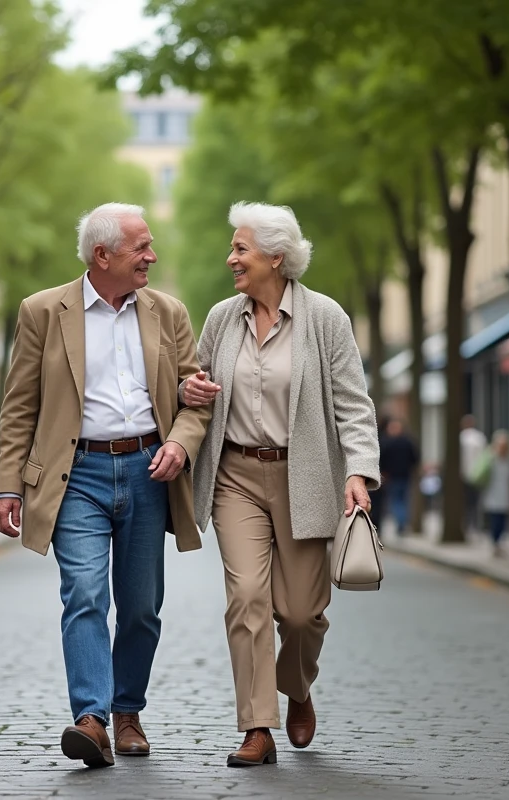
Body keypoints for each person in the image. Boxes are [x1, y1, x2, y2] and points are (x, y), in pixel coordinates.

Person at [0, 203, 211, 769]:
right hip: (73, 475)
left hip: (146, 468)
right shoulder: (42, 311)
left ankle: (127, 710)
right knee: (84, 594)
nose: (152, 258)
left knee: (141, 606)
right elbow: (20, 407)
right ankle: (91, 718)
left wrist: (181, 442)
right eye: (142, 248)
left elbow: (196, 395)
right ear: (102, 255)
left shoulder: (169, 312)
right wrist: (7, 485)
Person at [180, 202, 380, 767]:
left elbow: (353, 406)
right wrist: (188, 393)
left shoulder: (326, 319)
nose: (231, 259)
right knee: (246, 597)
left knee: (300, 613)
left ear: (276, 256)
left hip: (305, 475)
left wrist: (360, 469)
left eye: (240, 249)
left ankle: (297, 687)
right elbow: (193, 383)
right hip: (235, 475)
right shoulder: (222, 317)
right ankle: (257, 726)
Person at [379, 417, 419, 534]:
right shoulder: (408, 442)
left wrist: (384, 472)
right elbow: (415, 458)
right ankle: (402, 522)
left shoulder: (387, 442)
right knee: (403, 500)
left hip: (393, 476)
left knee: (396, 501)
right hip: (404, 475)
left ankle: (400, 523)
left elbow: (383, 460)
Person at [481, 430, 509, 558]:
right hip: (493, 497)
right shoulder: (491, 461)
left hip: (506, 497)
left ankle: (499, 543)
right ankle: (495, 543)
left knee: (504, 521)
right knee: (495, 521)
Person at [459, 415, 488, 532]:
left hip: (465, 474)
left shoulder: (461, 438)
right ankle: (476, 523)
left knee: (466, 501)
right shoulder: (480, 438)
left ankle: (468, 522)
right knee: (476, 500)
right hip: (478, 475)